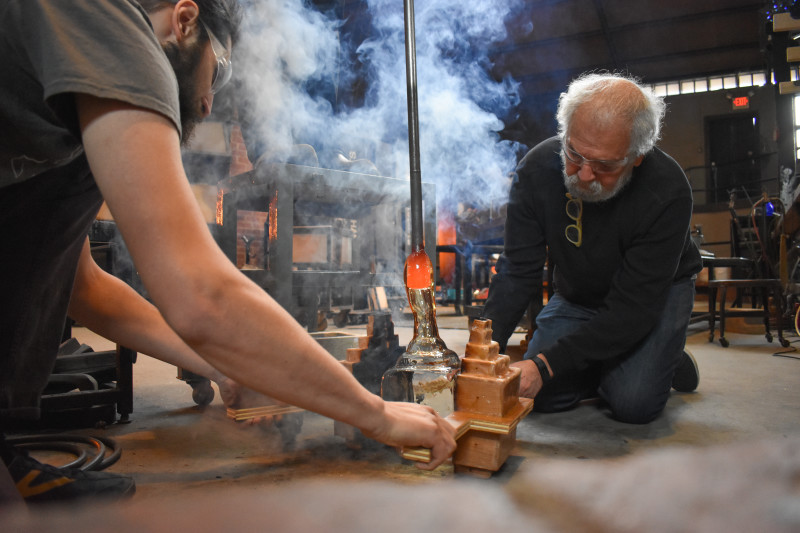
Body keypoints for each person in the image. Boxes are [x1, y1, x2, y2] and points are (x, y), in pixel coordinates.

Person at [0, 0, 456, 505]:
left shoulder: (74, 78)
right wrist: (376, 414)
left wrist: (222, 365)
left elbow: (83, 287)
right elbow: (203, 296)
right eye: (217, 73)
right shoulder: (107, 19)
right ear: (184, 19)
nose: (208, 104)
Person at [483, 72, 702, 425]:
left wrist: (544, 364)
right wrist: (482, 349)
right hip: (580, 293)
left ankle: (665, 355)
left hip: (651, 297)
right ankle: (621, 360)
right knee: (541, 397)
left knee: (633, 403)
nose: (583, 175)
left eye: (604, 165)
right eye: (574, 154)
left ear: (637, 157)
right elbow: (517, 272)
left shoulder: (667, 191)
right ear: (565, 132)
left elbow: (632, 309)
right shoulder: (537, 171)